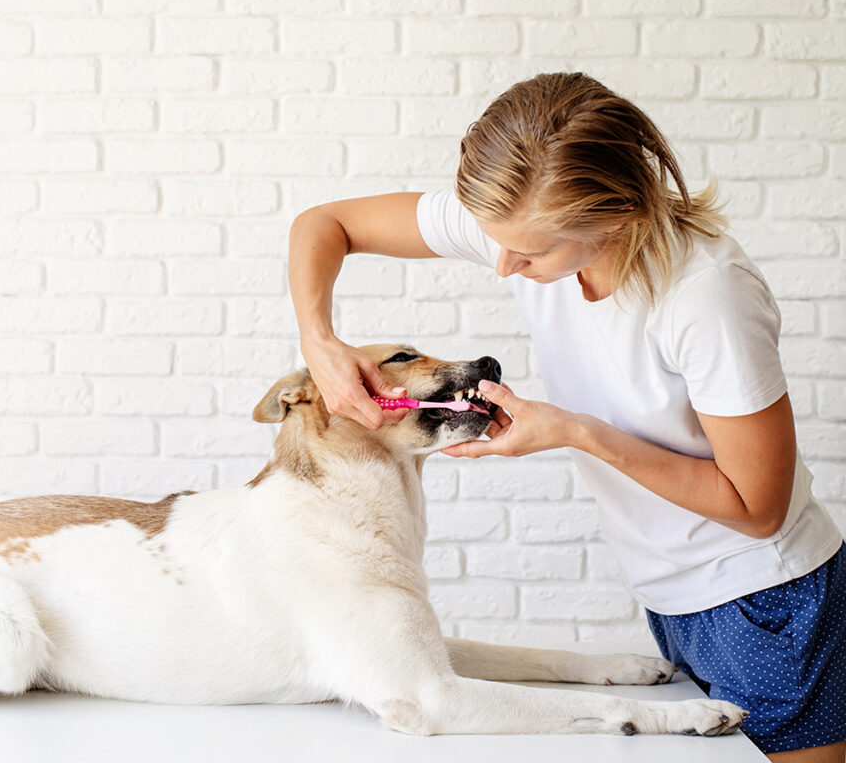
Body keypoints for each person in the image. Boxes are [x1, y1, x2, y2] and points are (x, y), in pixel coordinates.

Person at [287, 72, 846, 762]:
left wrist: (573, 431)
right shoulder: (522, 225)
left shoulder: (707, 297)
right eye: (494, 239)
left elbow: (758, 508)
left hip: (764, 601)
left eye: (530, 251)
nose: (503, 265)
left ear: (614, 217)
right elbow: (324, 225)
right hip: (671, 598)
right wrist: (319, 342)